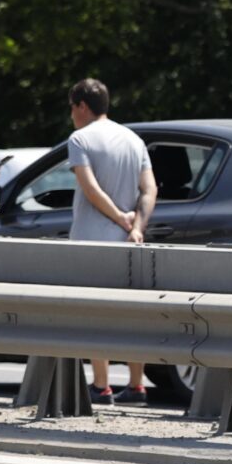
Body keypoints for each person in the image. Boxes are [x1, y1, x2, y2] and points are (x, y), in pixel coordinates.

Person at [66, 78, 157, 405]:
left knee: (93, 313)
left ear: (81, 106)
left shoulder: (80, 139)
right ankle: (136, 385)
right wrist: (136, 225)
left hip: (91, 241)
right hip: (130, 243)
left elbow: (90, 189)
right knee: (131, 314)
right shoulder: (133, 139)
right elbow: (150, 189)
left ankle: (101, 385)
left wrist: (119, 217)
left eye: (72, 109)